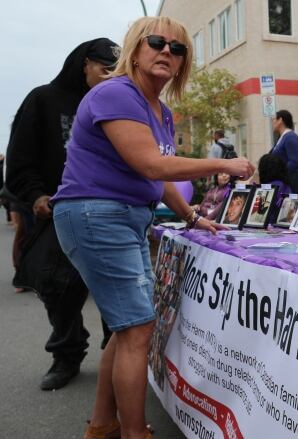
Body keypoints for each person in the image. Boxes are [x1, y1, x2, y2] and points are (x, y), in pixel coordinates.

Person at [50, 17, 254, 439]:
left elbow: (156, 181)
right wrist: (222, 162)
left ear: (182, 63)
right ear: (136, 48)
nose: (166, 52)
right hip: (96, 215)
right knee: (137, 329)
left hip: (123, 218)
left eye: (177, 49)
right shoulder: (117, 93)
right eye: (157, 42)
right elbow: (151, 164)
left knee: (128, 328)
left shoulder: (159, 110)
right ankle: (134, 432)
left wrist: (193, 216)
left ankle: (104, 424)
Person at [5, 37, 120, 390]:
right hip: (59, 212)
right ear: (84, 64)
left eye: (117, 73)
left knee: (115, 289)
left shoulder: (116, 103)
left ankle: (116, 353)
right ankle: (67, 353)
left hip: (110, 212)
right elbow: (20, 158)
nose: (110, 79)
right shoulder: (43, 99)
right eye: (104, 71)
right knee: (58, 289)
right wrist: (36, 195)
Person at [270, 110, 298, 194]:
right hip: (286, 181)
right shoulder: (282, 137)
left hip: (292, 183)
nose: (273, 122)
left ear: (280, 120)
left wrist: (280, 174)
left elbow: (293, 162)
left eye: (275, 119)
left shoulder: (290, 137)